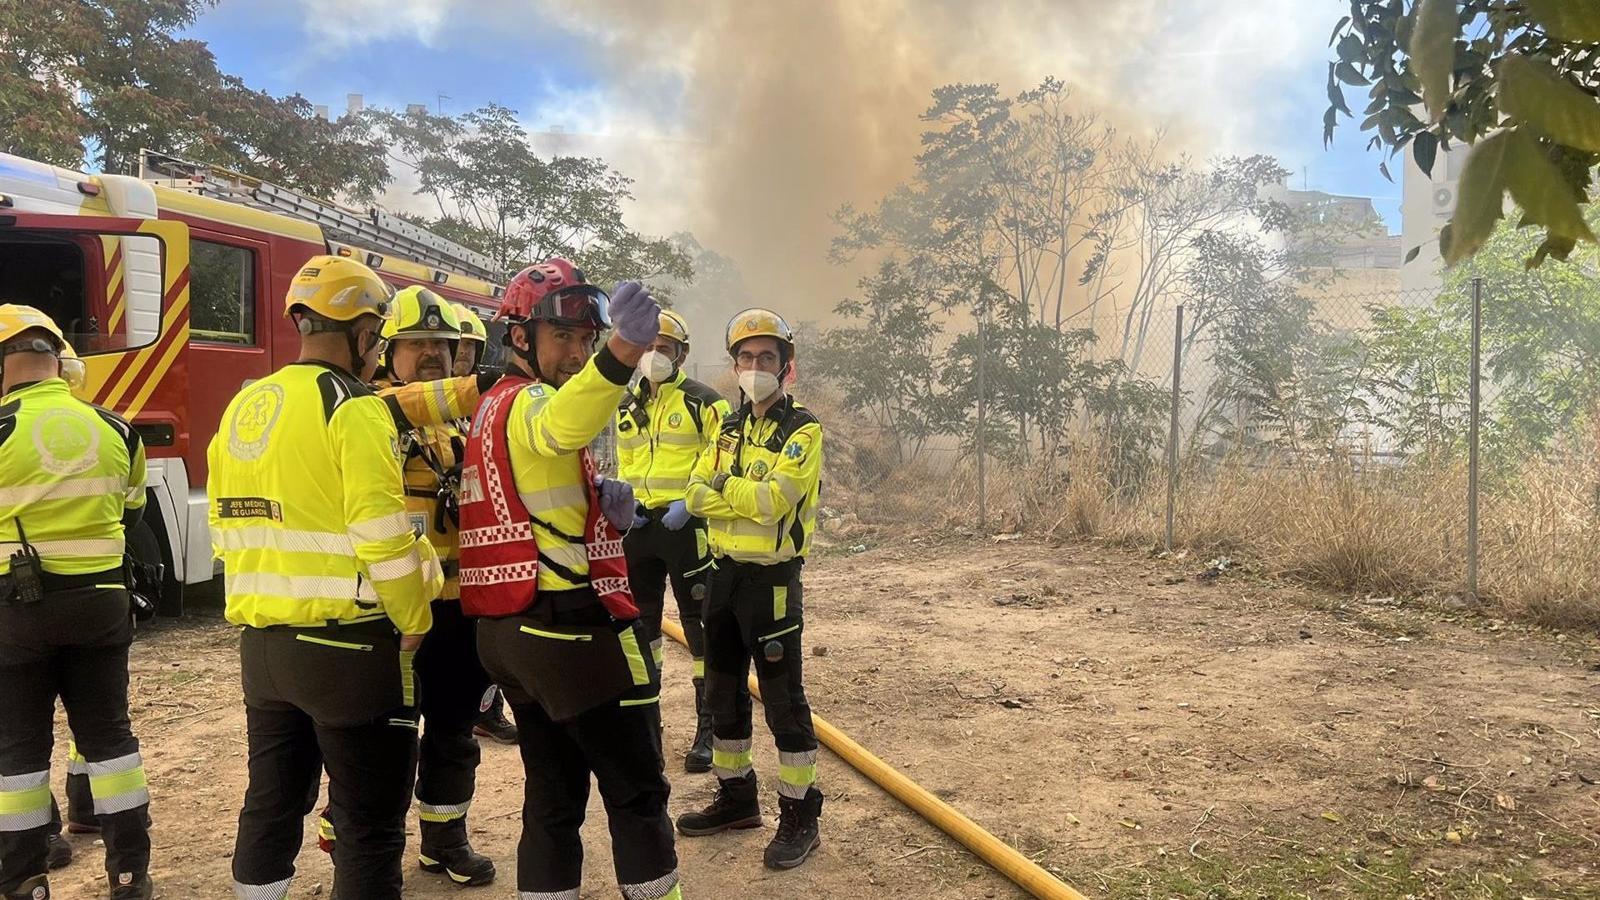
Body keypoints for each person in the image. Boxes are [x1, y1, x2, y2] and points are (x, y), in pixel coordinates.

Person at [210, 256, 442, 900]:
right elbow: (383, 537)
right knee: (369, 828)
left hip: (263, 651)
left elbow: (227, 533)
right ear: (366, 335)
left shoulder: (244, 403)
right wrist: (416, 618)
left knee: (271, 808)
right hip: (350, 653)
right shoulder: (356, 407)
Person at [459, 258, 682, 900]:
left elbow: (535, 499)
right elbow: (560, 427)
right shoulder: (531, 401)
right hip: (567, 630)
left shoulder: (490, 408)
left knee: (553, 796)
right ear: (520, 337)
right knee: (638, 791)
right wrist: (623, 350)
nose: (578, 353)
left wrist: (605, 510)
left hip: (509, 633)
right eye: (566, 338)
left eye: (588, 340)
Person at [0, 305, 153, 899]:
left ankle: (23, 879)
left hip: (17, 611)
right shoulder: (116, 428)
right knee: (111, 741)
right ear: (58, 360)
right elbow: (131, 513)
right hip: (101, 604)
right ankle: (128, 876)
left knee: (18, 749)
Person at [675, 308, 826, 870]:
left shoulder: (803, 430)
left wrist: (723, 488)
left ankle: (800, 816)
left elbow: (775, 503)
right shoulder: (725, 426)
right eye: (746, 358)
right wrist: (736, 491)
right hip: (723, 575)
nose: (755, 367)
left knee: (785, 704)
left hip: (772, 582)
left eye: (766, 358)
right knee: (721, 694)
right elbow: (693, 495)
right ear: (734, 365)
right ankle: (737, 800)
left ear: (785, 366)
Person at [368, 286, 495, 886]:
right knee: (388, 740)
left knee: (452, 733)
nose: (431, 354)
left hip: (458, 611)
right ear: (388, 353)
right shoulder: (371, 415)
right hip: (394, 617)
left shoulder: (460, 424)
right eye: (417, 343)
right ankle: (369, 854)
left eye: (442, 345)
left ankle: (445, 841)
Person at [615, 309, 730, 772]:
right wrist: (628, 503)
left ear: (681, 354)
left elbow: (726, 460)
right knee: (641, 630)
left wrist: (691, 504)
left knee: (700, 629)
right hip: (640, 531)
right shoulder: (626, 404)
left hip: (687, 528)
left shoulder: (706, 403)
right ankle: (647, 728)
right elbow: (625, 462)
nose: (654, 356)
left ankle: (708, 730)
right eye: (648, 347)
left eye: (664, 348)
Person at [452, 302, 488, 377]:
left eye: (469, 344)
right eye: (458, 343)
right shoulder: (425, 386)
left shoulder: (486, 387)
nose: (463, 351)